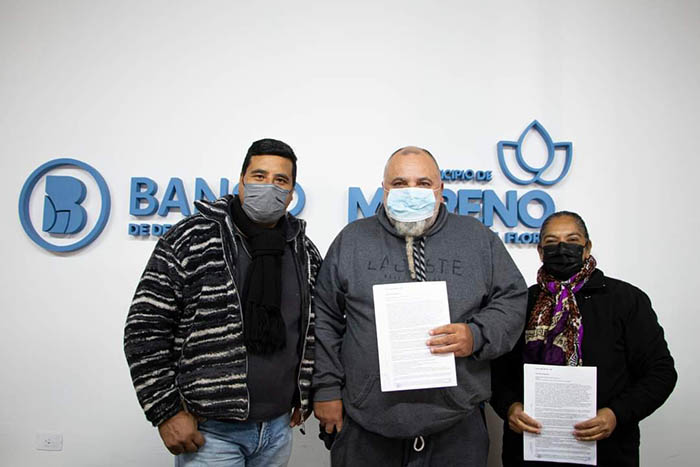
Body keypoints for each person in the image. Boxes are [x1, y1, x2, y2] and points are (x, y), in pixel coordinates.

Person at [312, 146, 528, 466]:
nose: (411, 191)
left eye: (423, 183)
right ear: (384, 190)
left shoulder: (477, 238)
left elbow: (513, 298)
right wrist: (326, 389)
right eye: (399, 183)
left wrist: (477, 335)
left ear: (441, 190)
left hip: (457, 422)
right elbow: (325, 316)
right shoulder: (352, 240)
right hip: (366, 422)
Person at [124, 138, 322, 466]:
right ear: (241, 181)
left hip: (277, 428)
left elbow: (313, 330)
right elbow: (144, 329)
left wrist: (306, 392)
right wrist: (166, 411)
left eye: (280, 180)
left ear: (291, 194)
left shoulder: (304, 251)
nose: (269, 186)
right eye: (259, 176)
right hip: (210, 431)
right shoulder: (192, 238)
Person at [491, 211, 677, 467]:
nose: (562, 248)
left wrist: (616, 414)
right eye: (552, 242)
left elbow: (661, 372)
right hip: (529, 449)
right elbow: (496, 371)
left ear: (587, 248)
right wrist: (509, 407)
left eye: (572, 240)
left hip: (607, 452)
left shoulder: (625, 300)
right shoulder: (522, 302)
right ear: (540, 251)